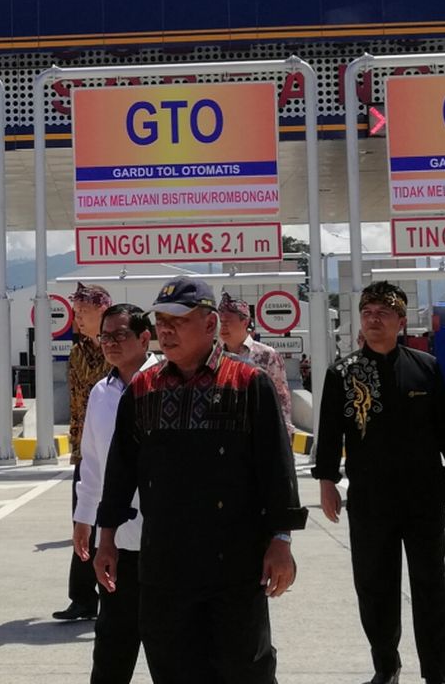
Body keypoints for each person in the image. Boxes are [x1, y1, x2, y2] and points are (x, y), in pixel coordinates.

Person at [96, 277, 306, 684]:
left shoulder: (248, 384)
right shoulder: (143, 389)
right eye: (161, 321)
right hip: (164, 566)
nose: (166, 331)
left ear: (210, 325)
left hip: (234, 565)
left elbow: (276, 470)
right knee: (172, 667)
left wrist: (281, 541)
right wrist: (107, 536)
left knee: (245, 669)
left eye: (179, 320)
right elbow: (120, 470)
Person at [312, 281, 445, 684]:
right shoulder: (343, 373)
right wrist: (327, 481)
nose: (373, 319)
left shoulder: (425, 367)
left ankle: (436, 674)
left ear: (399, 320)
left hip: (424, 498)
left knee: (431, 586)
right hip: (371, 499)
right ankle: (386, 665)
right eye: (367, 313)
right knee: (375, 587)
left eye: (383, 313)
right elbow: (329, 434)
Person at [75, 304, 159, 684]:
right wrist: (84, 518)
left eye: (119, 335)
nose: (109, 343)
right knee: (112, 645)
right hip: (117, 541)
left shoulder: (168, 383)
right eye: (104, 336)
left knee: (172, 650)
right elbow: (92, 461)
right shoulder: (102, 392)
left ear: (144, 338)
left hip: (167, 541)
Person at [54, 281, 113, 622]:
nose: (77, 318)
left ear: (102, 311)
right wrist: (77, 449)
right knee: (83, 524)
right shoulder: (77, 353)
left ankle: (116, 593)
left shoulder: (120, 348)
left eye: (83, 312)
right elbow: (77, 406)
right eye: (76, 312)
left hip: (118, 452)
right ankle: (82, 598)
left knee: (118, 526)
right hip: (88, 454)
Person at [217, 291, 293, 436]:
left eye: (228, 322)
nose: (223, 326)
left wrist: (285, 438)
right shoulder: (215, 357)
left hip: (259, 433)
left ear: (245, 322)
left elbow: (282, 399)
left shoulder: (267, 355)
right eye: (221, 322)